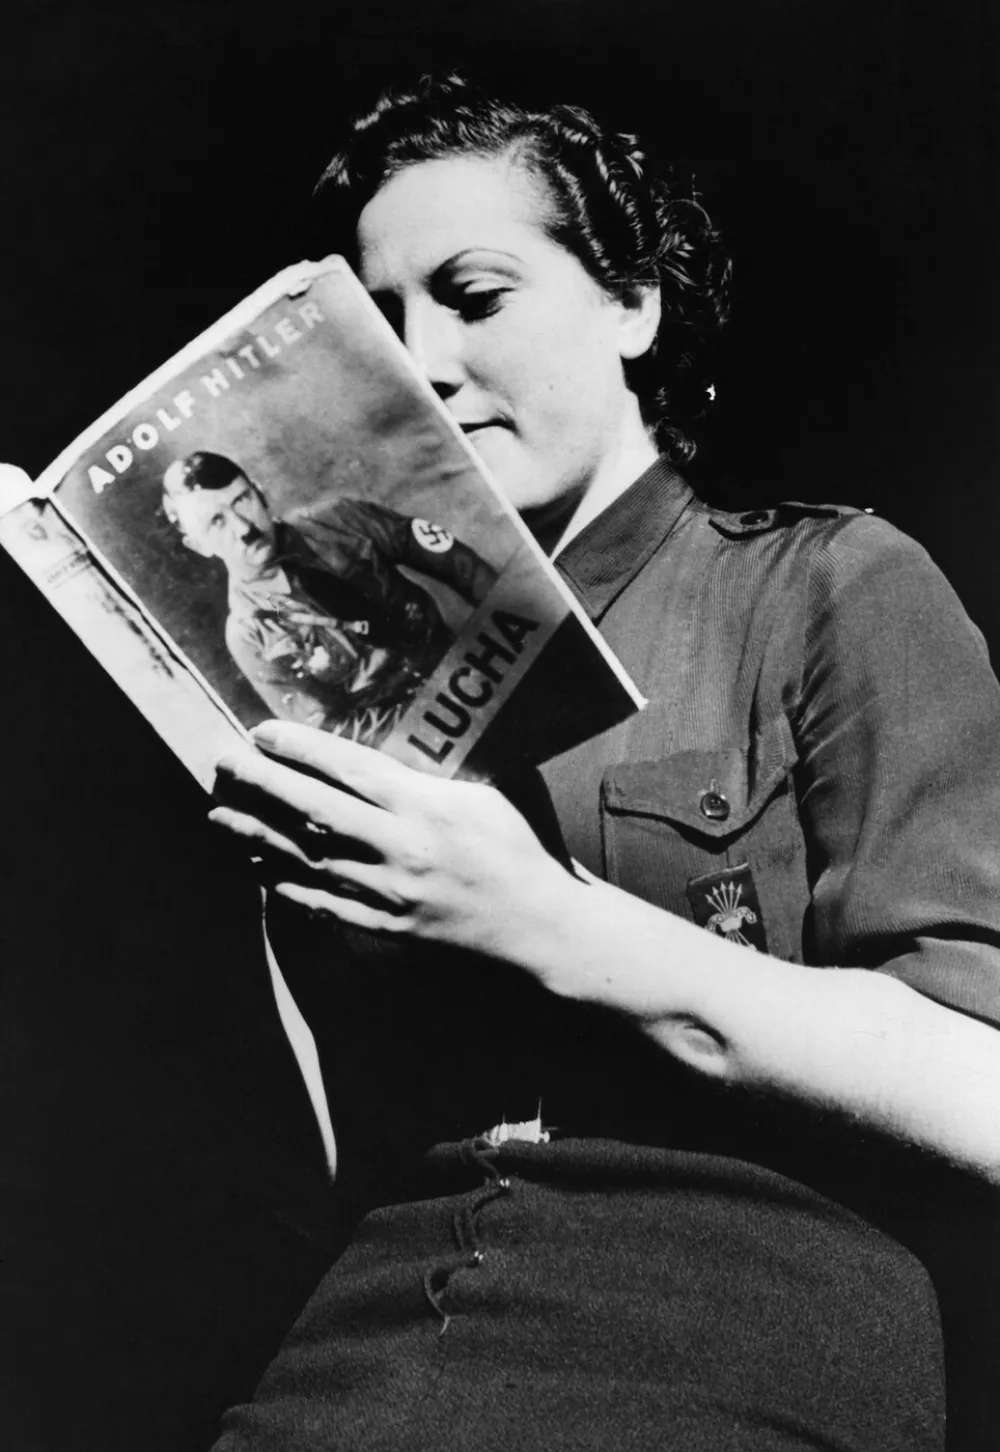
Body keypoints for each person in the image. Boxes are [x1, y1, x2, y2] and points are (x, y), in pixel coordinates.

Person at [206, 76, 1000, 1450]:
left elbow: (983, 1097)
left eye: (475, 292)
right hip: (358, 1358)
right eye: (382, 324)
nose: (424, 359)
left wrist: (542, 921)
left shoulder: (830, 583)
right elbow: (346, 1160)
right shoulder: (361, 657)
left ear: (631, 303)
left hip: (725, 1348)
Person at [162, 451, 497, 744]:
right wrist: (433, 717)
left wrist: (508, 622)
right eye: (216, 522)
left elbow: (454, 561)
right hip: (421, 736)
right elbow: (326, 731)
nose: (243, 528)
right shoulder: (248, 635)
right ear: (199, 545)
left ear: (260, 493)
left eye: (241, 501)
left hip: (474, 675)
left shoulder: (340, 520)